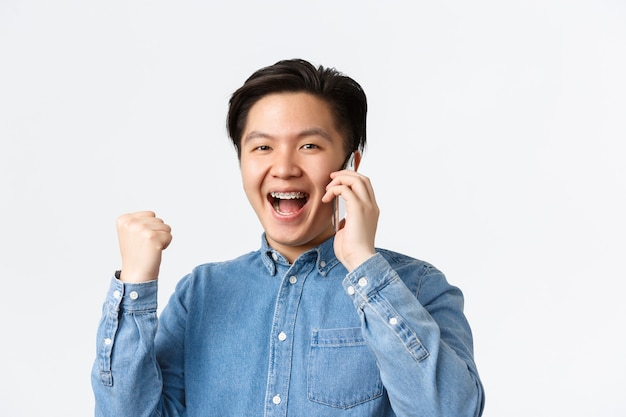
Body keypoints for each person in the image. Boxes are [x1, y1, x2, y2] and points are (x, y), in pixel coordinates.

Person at [91, 58, 485, 417]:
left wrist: (365, 266)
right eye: (262, 147)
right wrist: (135, 288)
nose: (283, 167)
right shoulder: (200, 294)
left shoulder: (417, 288)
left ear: (351, 165)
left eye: (309, 145)